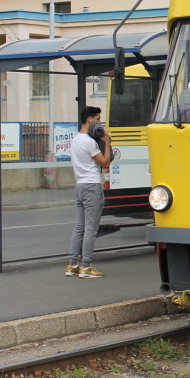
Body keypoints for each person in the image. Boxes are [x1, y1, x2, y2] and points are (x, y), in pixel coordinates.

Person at [67, 106, 112, 278]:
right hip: (92, 186)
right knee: (91, 229)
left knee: (79, 227)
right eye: (98, 119)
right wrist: (106, 141)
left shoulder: (75, 140)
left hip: (80, 185)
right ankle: (86, 266)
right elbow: (105, 162)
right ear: (90, 120)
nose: (100, 123)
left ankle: (72, 264)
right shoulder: (89, 142)